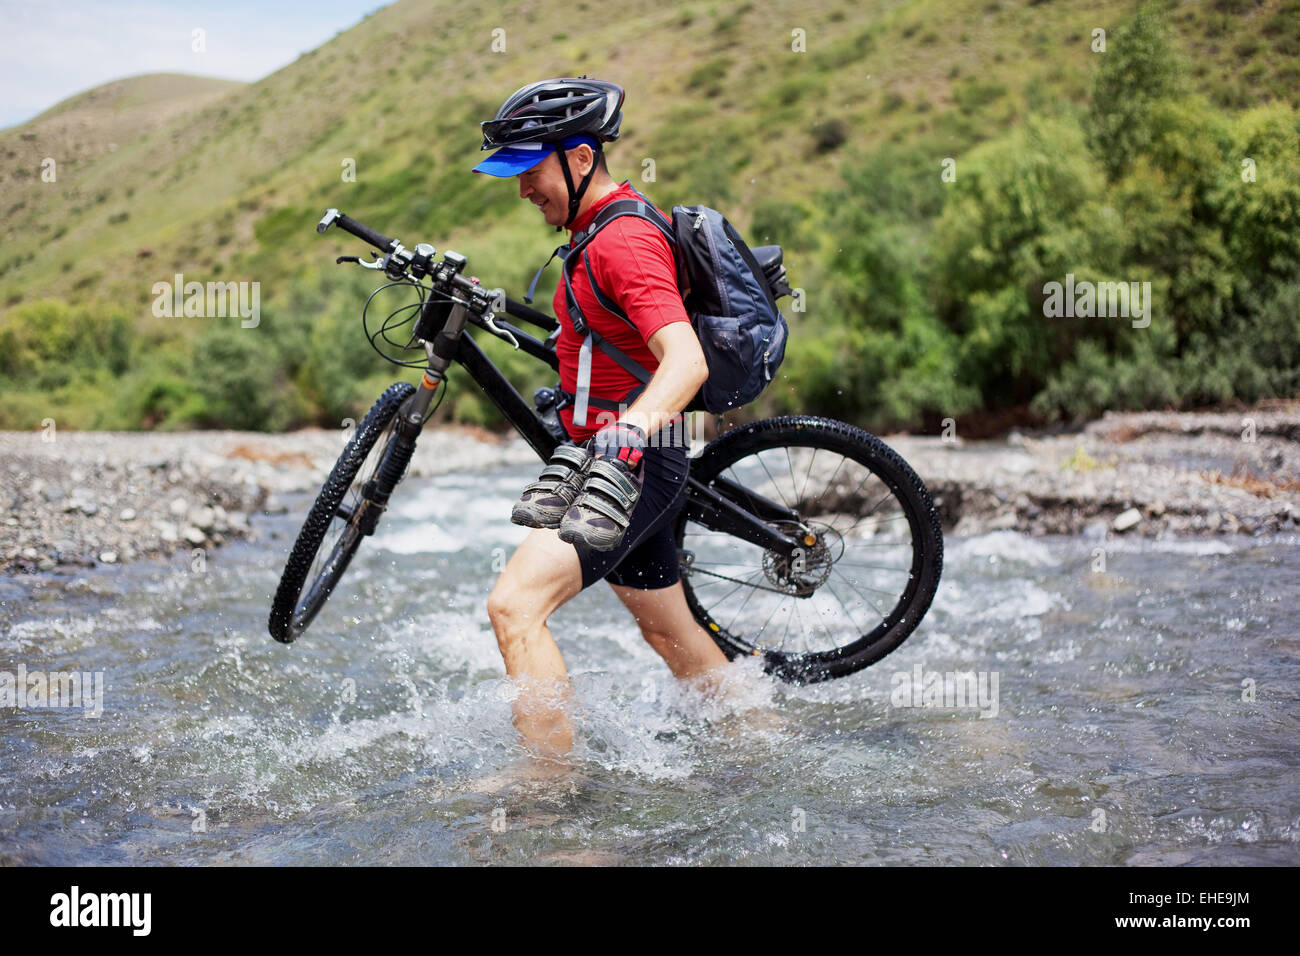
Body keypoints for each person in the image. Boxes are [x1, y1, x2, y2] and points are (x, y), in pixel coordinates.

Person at [472, 78, 731, 757]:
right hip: (617, 461)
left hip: (628, 467)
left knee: (515, 608)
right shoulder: (594, 231)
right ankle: (761, 742)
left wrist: (624, 438)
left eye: (529, 170)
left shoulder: (622, 241)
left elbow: (686, 361)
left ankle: (551, 803)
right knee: (670, 633)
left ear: (580, 159)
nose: (522, 188)